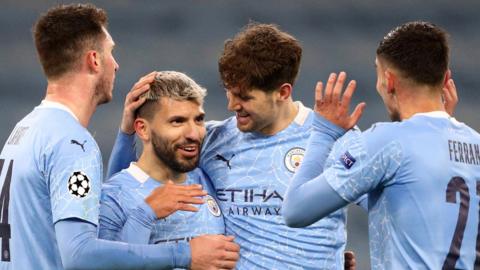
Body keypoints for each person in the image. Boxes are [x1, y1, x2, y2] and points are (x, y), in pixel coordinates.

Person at [0, 4, 239, 269]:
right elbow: (79, 255)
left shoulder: (26, 130)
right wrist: (186, 254)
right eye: (110, 52)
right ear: (94, 60)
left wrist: (126, 134)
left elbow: (118, 191)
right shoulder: (72, 143)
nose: (116, 64)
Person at [109, 23, 356, 269]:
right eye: (229, 92)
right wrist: (126, 132)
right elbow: (125, 190)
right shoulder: (213, 139)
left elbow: (383, 200)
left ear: (282, 92)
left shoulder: (331, 136)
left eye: (245, 97)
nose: (232, 105)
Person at [282, 21, 478, 269]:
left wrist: (323, 132)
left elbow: (296, 210)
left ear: (389, 80)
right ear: (446, 77)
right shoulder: (475, 143)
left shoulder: (388, 142)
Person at [98, 71, 238, 270]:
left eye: (198, 120)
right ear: (143, 129)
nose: (193, 133)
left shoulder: (209, 178)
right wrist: (146, 214)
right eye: (177, 121)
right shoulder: (113, 197)